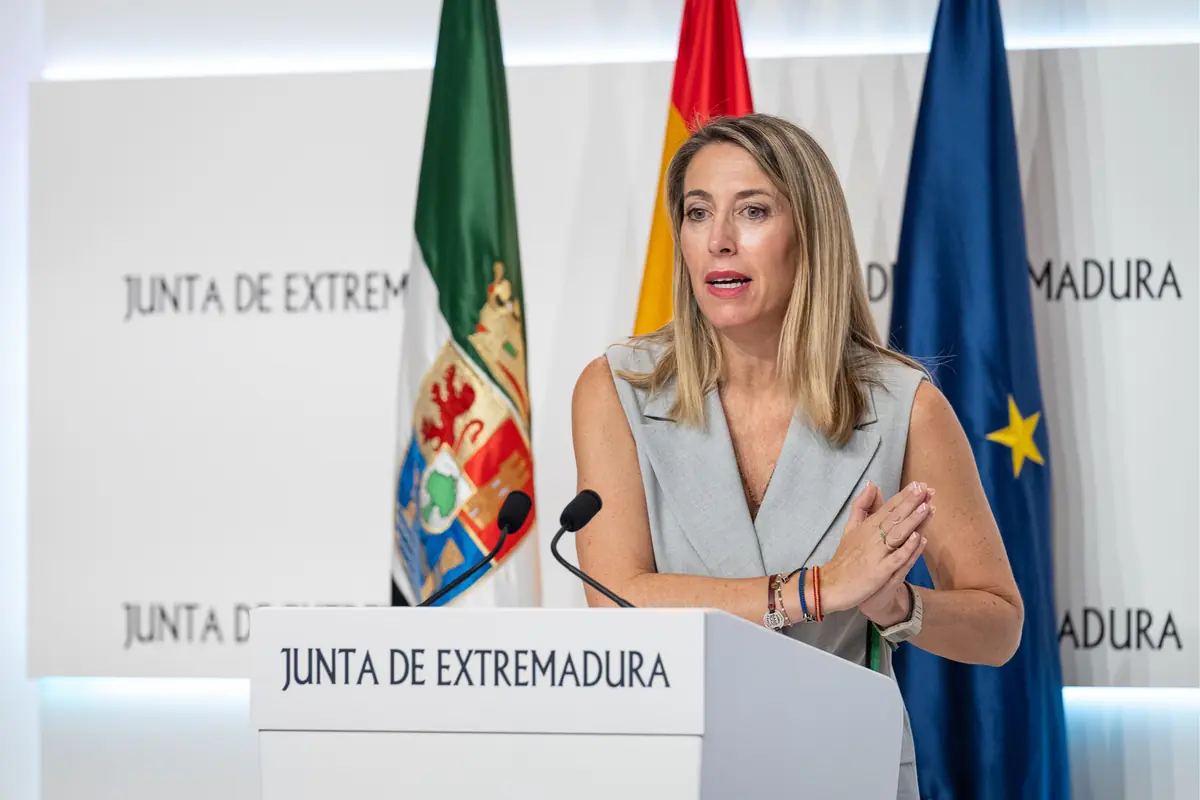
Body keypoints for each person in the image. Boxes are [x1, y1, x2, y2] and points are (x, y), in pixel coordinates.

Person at [569, 113, 1024, 799]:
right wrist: (819, 589)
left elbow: (999, 627)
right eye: (698, 213)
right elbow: (618, 598)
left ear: (809, 233)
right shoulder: (617, 389)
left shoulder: (903, 404)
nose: (719, 241)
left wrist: (900, 603)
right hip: (670, 769)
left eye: (752, 211)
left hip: (839, 768)